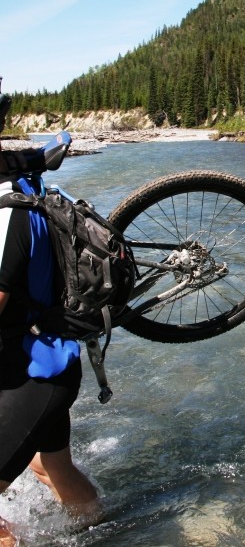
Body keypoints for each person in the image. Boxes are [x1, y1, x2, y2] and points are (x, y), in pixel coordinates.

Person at [0, 139, 101, 546]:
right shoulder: (17, 176)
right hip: (44, 359)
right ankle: (99, 529)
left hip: (33, 372)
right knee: (49, 466)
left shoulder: (7, 211)